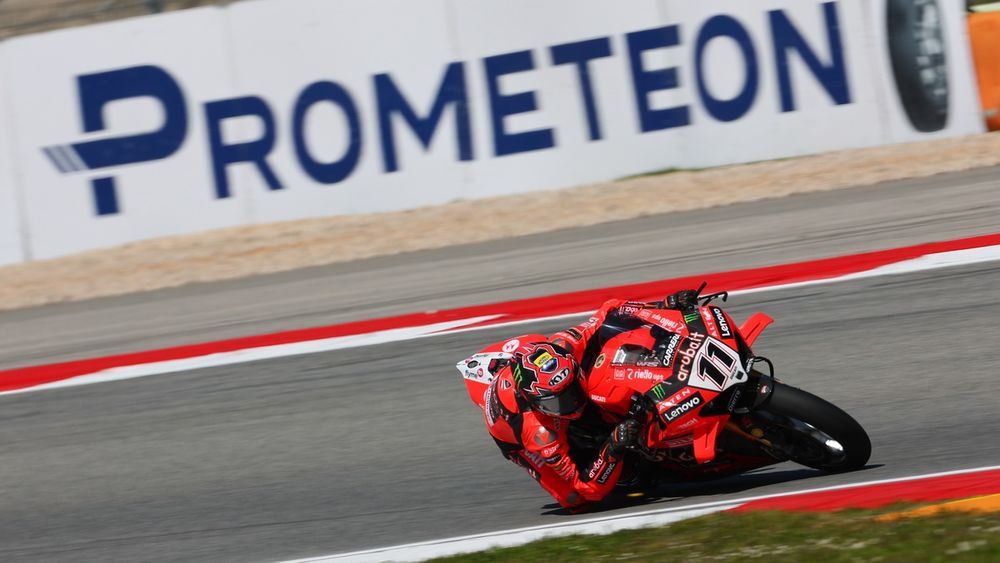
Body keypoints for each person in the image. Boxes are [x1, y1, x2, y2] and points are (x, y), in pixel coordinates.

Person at [482, 292, 699, 513]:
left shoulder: (564, 345)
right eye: (559, 402)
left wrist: (663, 306)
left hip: (533, 367)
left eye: (574, 388)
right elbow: (587, 488)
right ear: (538, 404)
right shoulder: (539, 433)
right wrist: (612, 447)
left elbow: (610, 309)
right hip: (513, 435)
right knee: (576, 501)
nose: (574, 404)